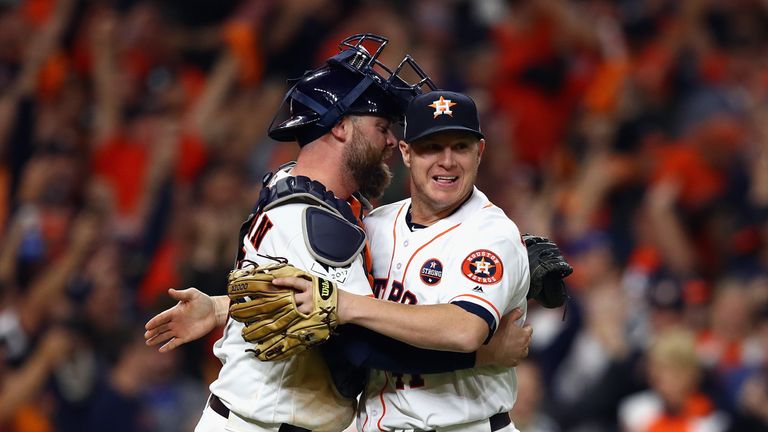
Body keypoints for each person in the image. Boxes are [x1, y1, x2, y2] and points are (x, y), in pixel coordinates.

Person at [144, 34, 533, 432]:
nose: (387, 141)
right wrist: (483, 355)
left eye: (460, 147)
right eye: (381, 126)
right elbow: (357, 345)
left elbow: (290, 297)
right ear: (342, 127)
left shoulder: (296, 188)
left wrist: (221, 308)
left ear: (479, 152)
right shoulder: (321, 222)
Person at [278, 89, 533, 431]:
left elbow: (465, 330)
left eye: (460, 147)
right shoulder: (375, 225)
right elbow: (307, 294)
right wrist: (220, 309)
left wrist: (346, 304)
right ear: (407, 153)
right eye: (432, 147)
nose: (447, 161)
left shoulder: (491, 234)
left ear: (479, 152)